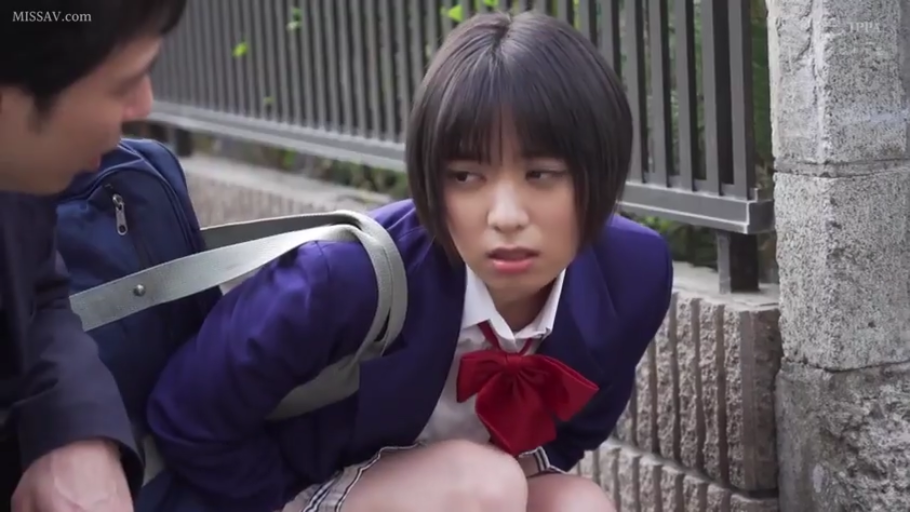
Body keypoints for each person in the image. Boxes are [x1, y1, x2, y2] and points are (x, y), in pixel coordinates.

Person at [146, 10, 673, 512]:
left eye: (541, 175)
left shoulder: (632, 274)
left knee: (577, 503)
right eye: (466, 177)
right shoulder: (343, 279)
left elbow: (576, 429)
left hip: (470, 487)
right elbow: (186, 410)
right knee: (484, 488)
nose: (506, 217)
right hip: (306, 490)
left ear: (598, 173)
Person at [0, 1, 187, 511]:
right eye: (124, 85)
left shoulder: (17, 177)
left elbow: (39, 296)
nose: (144, 105)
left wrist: (72, 430)